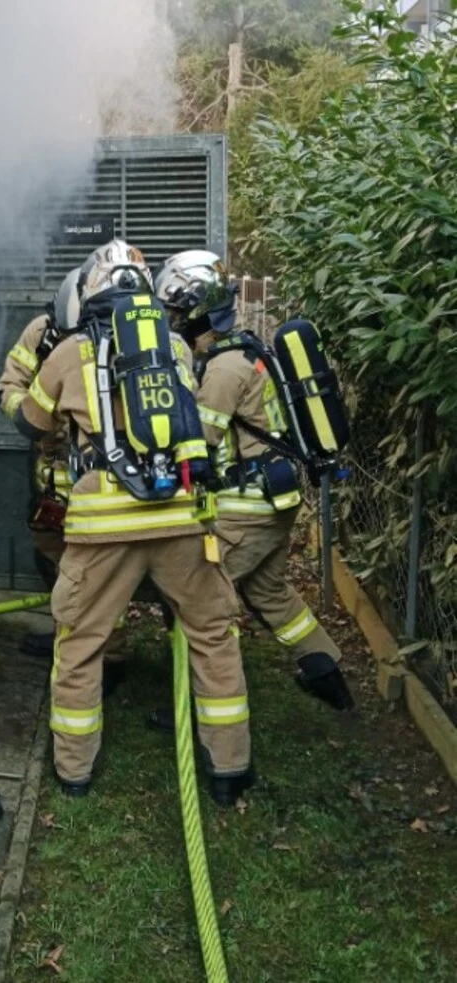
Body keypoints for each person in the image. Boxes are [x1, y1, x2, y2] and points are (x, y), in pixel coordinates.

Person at [11, 239, 254, 806]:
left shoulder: (69, 353)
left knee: (80, 644)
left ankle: (74, 771)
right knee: (213, 637)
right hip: (180, 521)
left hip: (102, 533)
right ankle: (229, 769)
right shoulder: (173, 344)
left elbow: (31, 422)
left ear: (91, 291)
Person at [147, 251, 353, 734]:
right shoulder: (246, 351)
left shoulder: (222, 371)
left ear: (197, 312)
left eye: (177, 313)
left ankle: (197, 710)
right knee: (271, 593)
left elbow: (199, 445)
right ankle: (327, 676)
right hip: (273, 504)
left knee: (197, 605)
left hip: (246, 510)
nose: (173, 321)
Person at [0, 268, 127, 691]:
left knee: (100, 568)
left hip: (101, 478)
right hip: (52, 474)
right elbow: (10, 382)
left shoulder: (116, 337)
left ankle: (109, 653)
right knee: (50, 553)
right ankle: (67, 636)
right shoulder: (41, 331)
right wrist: (29, 415)